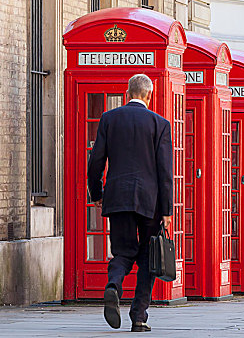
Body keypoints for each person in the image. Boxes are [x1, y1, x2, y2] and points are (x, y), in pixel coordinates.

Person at [87, 74, 173, 332]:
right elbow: (165, 172)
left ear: (127, 93)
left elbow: (96, 162)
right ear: (149, 95)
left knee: (123, 251)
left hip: (119, 196)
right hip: (150, 202)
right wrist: (167, 210)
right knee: (148, 256)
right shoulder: (160, 124)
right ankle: (139, 316)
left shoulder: (108, 119)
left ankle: (113, 285)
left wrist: (97, 193)